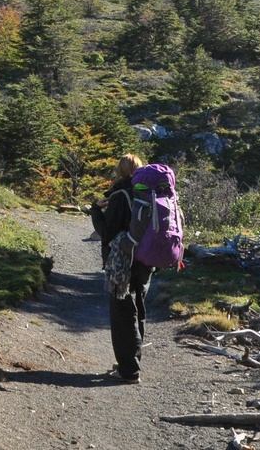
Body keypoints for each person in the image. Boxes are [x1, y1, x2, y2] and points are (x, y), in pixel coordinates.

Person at [87, 153, 153, 383]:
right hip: (147, 258)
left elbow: (107, 231)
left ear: (119, 170)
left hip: (124, 260)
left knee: (123, 312)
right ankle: (132, 361)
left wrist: (96, 210)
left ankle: (128, 370)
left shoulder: (119, 193)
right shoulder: (150, 192)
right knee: (139, 309)